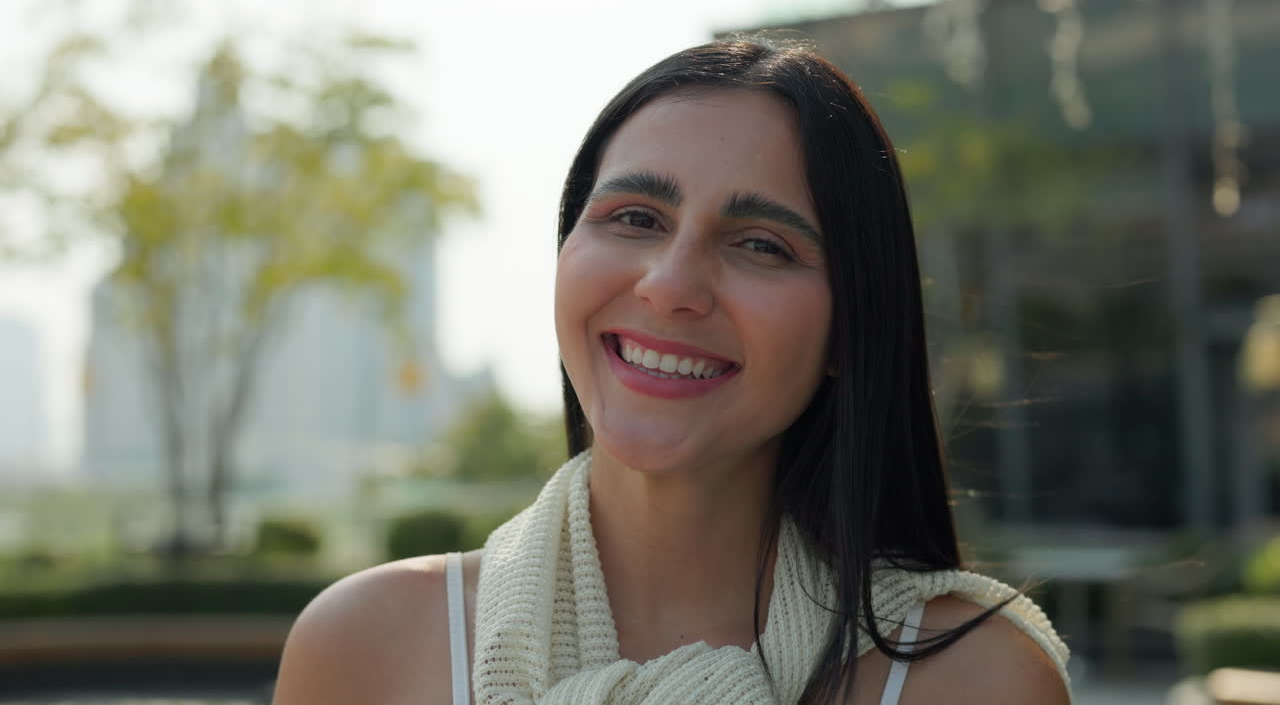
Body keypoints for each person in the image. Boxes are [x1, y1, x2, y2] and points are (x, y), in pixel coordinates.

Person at [273, 36, 1072, 705]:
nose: (668, 285)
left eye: (761, 244)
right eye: (634, 218)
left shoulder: (973, 679)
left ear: (849, 329)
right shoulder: (366, 649)